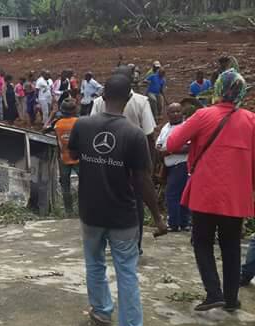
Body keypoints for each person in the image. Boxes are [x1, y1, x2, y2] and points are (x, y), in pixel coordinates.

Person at [69, 74, 167, 326]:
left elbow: (74, 153)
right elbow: (143, 181)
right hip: (123, 215)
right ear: (128, 100)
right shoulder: (134, 135)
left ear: (100, 98)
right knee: (126, 272)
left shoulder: (83, 125)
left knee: (94, 264)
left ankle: (101, 312)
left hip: (91, 212)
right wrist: (158, 217)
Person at [167, 70, 255, 312]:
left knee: (202, 241)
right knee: (231, 245)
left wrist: (196, 141)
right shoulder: (251, 120)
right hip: (236, 196)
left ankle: (213, 292)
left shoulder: (203, 115)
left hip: (205, 192)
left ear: (217, 89)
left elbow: (173, 143)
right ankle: (231, 299)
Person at [91, 66, 158, 255]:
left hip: (105, 159)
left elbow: (92, 131)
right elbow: (149, 135)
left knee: (107, 202)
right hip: (133, 163)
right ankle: (134, 245)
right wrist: (149, 165)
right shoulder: (141, 101)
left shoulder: (98, 102)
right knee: (134, 203)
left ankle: (109, 243)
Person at [155, 103, 190, 232]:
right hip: (168, 166)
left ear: (182, 112)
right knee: (178, 195)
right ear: (167, 114)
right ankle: (183, 223)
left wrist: (169, 150)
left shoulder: (186, 126)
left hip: (180, 165)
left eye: (178, 111)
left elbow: (188, 147)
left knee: (173, 194)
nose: (175, 114)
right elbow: (158, 144)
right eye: (172, 112)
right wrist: (160, 149)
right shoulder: (166, 127)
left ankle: (175, 223)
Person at [52, 98, 79, 215]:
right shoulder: (79, 122)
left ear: (62, 111)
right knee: (84, 184)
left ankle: (69, 211)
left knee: (65, 186)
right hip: (79, 159)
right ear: (74, 110)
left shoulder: (57, 125)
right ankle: (83, 209)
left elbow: (57, 143)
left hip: (63, 158)